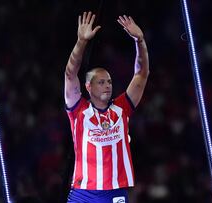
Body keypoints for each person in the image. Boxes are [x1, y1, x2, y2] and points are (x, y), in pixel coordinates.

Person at [64, 11, 149, 202]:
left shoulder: (122, 108)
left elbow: (142, 74)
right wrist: (81, 42)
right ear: (88, 87)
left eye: (109, 81)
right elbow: (70, 74)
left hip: (114, 193)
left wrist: (140, 41)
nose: (107, 85)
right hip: (82, 194)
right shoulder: (79, 110)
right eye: (101, 82)